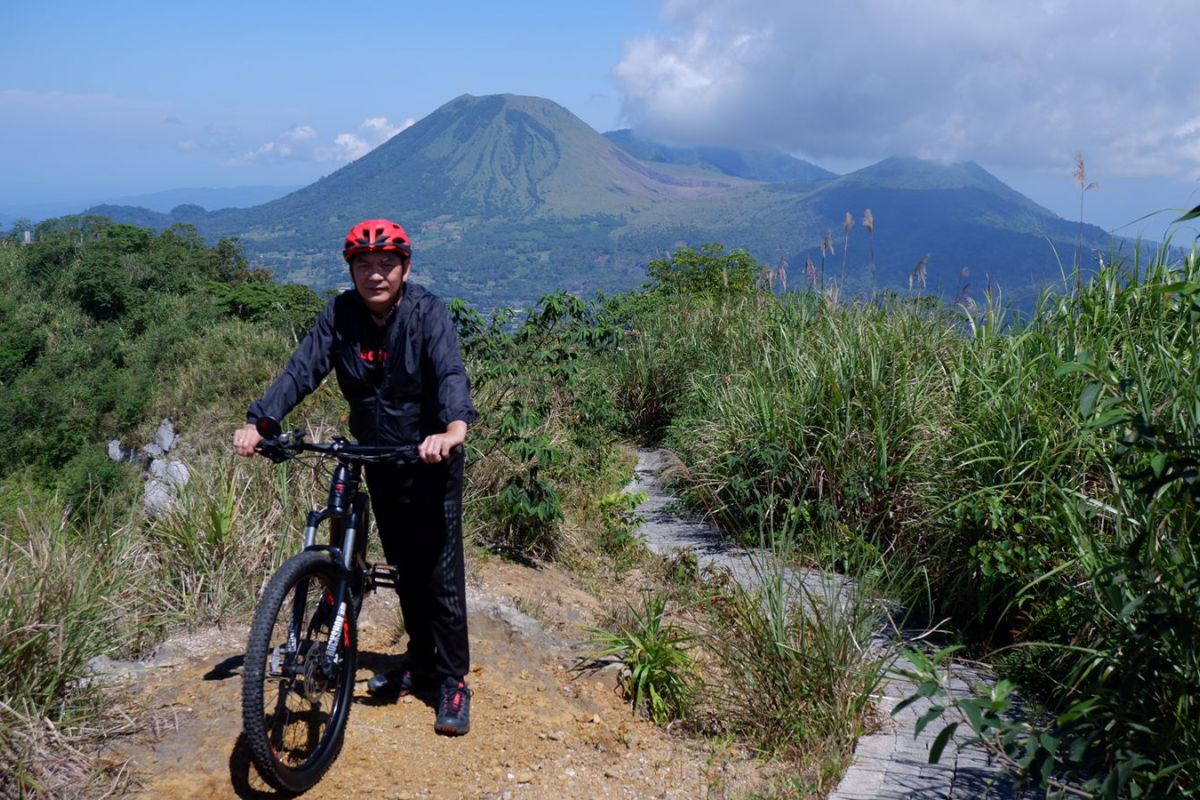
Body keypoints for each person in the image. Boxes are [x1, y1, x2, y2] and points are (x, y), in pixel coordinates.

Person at [232, 218, 476, 736]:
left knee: (439, 574)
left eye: (386, 264)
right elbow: (303, 369)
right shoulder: (341, 313)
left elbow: (451, 371)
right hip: (377, 457)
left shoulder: (428, 313)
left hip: (430, 459)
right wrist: (261, 421)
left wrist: (453, 428)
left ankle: (453, 680)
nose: (375, 274)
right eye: (364, 265)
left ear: (404, 268)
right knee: (407, 569)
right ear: (352, 271)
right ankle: (420, 660)